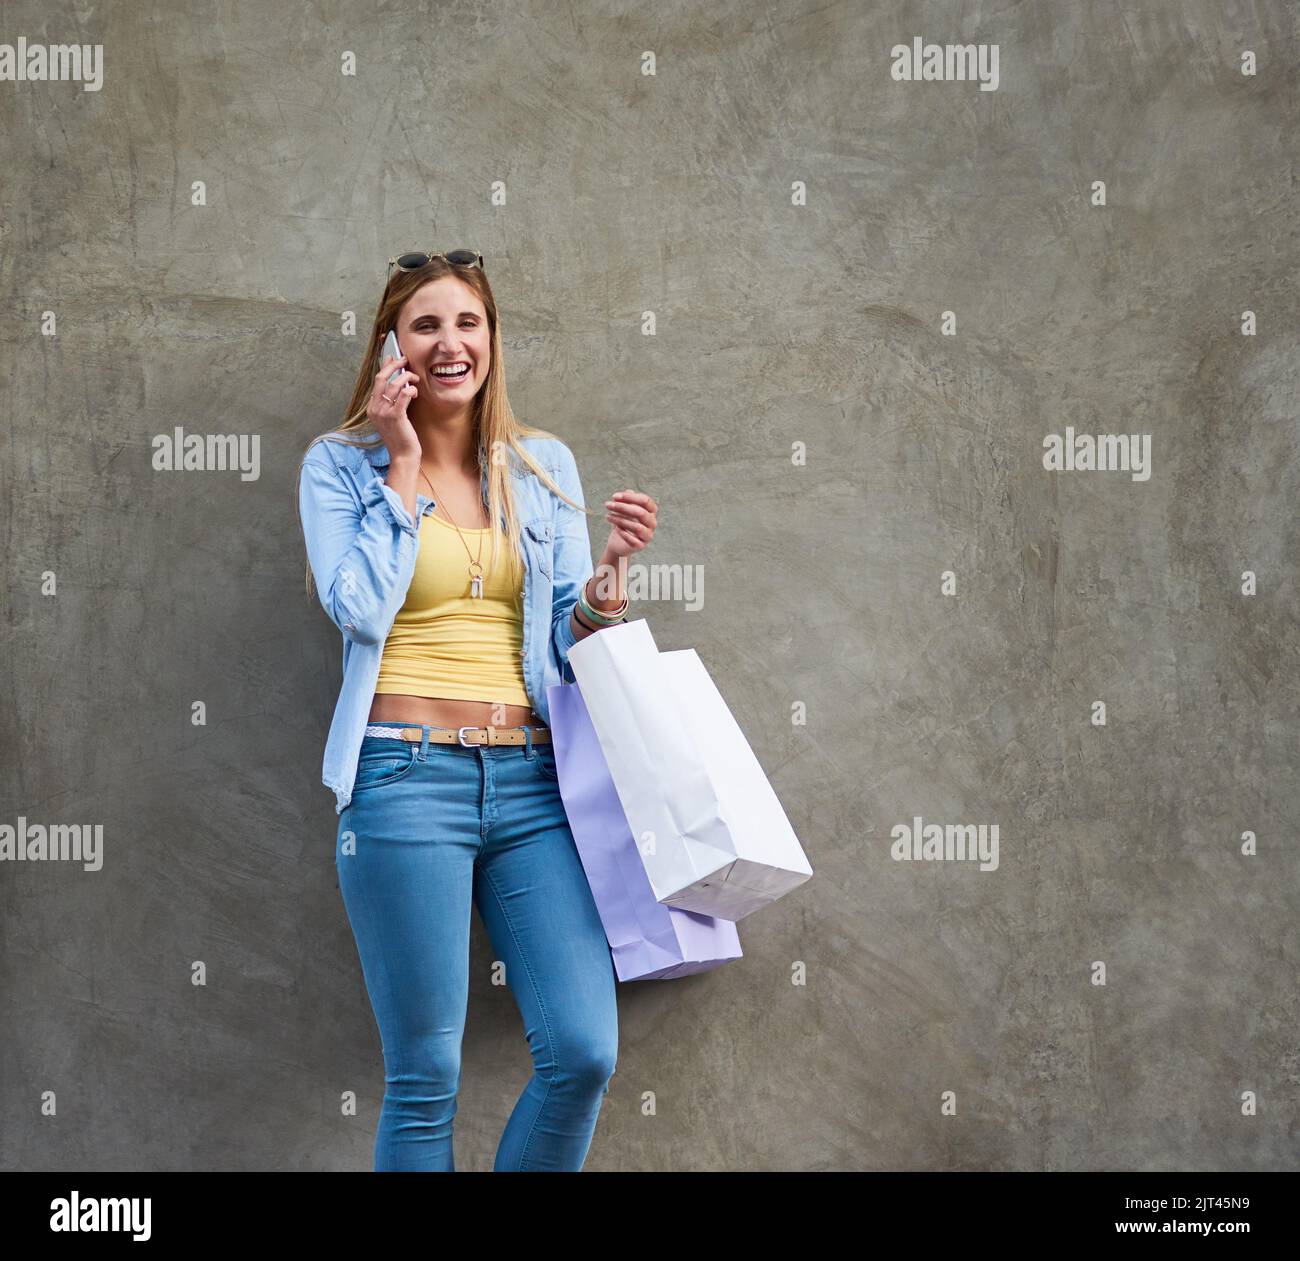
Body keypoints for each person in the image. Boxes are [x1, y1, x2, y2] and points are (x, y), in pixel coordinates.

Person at [296, 249, 659, 1171]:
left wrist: (610, 573)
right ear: (391, 346)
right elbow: (357, 608)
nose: (450, 343)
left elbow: (570, 646)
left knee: (582, 1052)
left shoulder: (542, 466)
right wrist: (405, 467)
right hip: (402, 773)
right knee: (425, 1075)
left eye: (468, 323)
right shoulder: (340, 468)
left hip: (534, 781)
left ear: (493, 340)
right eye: (425, 324)